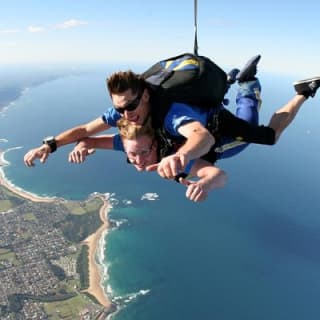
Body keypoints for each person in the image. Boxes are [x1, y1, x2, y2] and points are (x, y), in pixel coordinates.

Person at [23, 55, 320, 181]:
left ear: (146, 95)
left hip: (218, 128)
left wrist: (179, 158)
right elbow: (86, 131)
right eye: (120, 108)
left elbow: (201, 137)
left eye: (131, 106)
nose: (126, 114)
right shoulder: (127, 115)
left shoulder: (171, 114)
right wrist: (49, 145)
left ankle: (297, 90)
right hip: (199, 116)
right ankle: (234, 82)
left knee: (266, 136)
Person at [71, 117, 227, 202]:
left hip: (227, 140)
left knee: (249, 125)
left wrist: (204, 184)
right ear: (125, 147)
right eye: (132, 154)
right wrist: (81, 147)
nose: (138, 160)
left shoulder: (171, 157)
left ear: (155, 144)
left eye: (144, 152)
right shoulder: (128, 144)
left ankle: (245, 87)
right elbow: (89, 140)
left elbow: (220, 175)